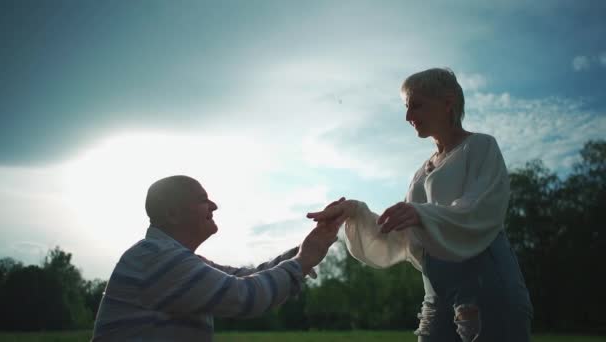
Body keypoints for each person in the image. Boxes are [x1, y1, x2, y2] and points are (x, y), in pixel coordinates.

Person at [307, 68, 533, 342]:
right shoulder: (420, 173)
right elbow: (403, 234)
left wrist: (420, 213)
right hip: (436, 294)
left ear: (448, 103)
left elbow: (479, 209)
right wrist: (354, 211)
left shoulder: (480, 147)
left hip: (485, 287)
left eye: (416, 105)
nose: (407, 117)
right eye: (406, 107)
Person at [92, 175, 343, 341]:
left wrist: (310, 245)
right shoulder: (157, 258)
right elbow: (245, 296)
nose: (214, 206)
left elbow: (245, 276)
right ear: (172, 213)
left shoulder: (170, 258)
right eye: (203, 200)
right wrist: (303, 260)